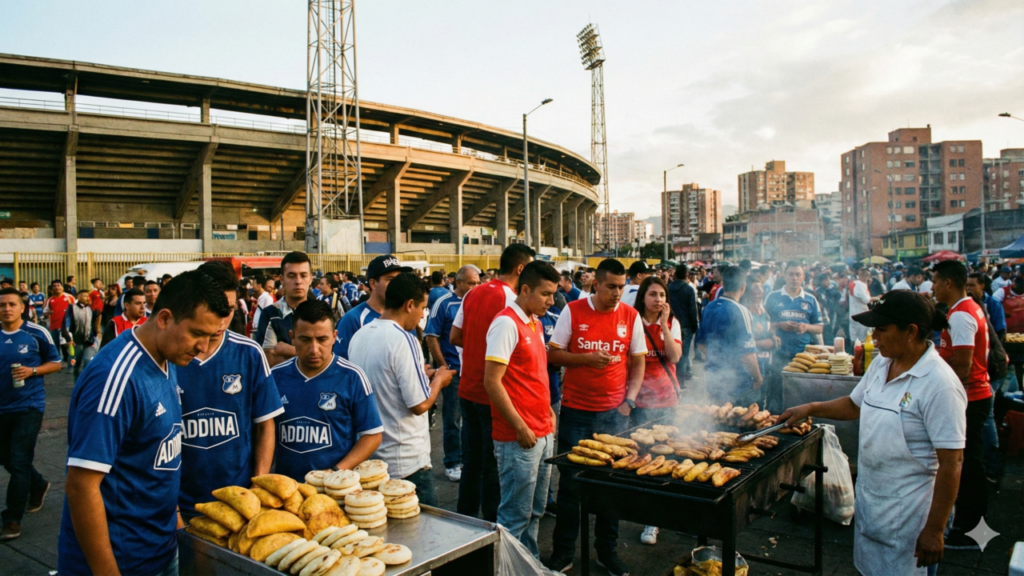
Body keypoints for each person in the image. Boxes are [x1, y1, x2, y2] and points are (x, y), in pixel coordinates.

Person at [780, 291, 965, 575]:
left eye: (881, 328)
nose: (873, 336)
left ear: (911, 332)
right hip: (872, 503)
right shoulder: (882, 362)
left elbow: (952, 463)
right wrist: (811, 407)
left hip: (910, 516)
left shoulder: (940, 384)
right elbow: (854, 405)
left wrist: (935, 529)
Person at [59, 271, 230, 576]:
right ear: (164, 318)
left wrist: (177, 526)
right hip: (122, 562)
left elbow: (157, 461)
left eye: (211, 336)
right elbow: (81, 486)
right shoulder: (116, 377)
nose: (203, 347)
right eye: (196, 334)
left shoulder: (169, 357)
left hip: (161, 549)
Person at [546, 258, 646, 576]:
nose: (618, 293)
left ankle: (607, 552)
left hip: (615, 414)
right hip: (576, 411)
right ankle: (563, 553)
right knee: (571, 487)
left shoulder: (631, 316)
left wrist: (629, 401)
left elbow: (638, 362)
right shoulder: (574, 310)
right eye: (612, 287)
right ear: (596, 284)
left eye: (622, 287)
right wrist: (585, 358)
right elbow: (553, 354)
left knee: (610, 488)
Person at [177, 261, 284, 519]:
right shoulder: (172, 355)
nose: (223, 319)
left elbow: (265, 424)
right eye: (217, 309)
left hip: (238, 501)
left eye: (231, 309)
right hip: (180, 504)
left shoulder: (249, 353)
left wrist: (258, 485)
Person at [348, 273, 454, 505]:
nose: (422, 315)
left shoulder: (360, 335)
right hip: (405, 462)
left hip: (371, 460)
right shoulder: (404, 339)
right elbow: (419, 404)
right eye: (422, 308)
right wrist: (439, 380)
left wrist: (422, 376)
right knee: (424, 534)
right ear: (409, 305)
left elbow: (385, 381)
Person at [450, 244, 534, 521]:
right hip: (493, 393)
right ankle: (489, 529)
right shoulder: (511, 300)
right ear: (521, 269)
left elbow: (455, 337)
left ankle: (464, 521)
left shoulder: (472, 293)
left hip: (468, 389)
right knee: (492, 465)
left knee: (471, 461)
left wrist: (476, 350)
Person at [481, 261, 560, 557]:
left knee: (536, 511)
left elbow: (533, 374)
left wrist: (548, 411)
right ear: (525, 289)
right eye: (545, 294)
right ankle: (507, 567)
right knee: (514, 517)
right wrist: (519, 426)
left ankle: (529, 564)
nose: (551, 301)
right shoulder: (505, 323)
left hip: (541, 431)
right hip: (519, 438)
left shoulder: (535, 322)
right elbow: (492, 382)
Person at [269, 300, 382, 481]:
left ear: (334, 336)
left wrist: (335, 472)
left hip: (334, 488)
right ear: (292, 337)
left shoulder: (352, 377)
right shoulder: (274, 378)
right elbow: (261, 432)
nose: (314, 349)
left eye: (322, 339)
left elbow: (372, 435)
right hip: (287, 489)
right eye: (305, 339)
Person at [931, 260, 990, 549]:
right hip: (971, 395)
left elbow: (963, 366)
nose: (932, 287)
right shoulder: (961, 310)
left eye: (935, 281)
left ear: (948, 283)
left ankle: (971, 530)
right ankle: (969, 523)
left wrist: (943, 395)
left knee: (966, 464)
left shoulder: (962, 315)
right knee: (966, 461)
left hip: (971, 396)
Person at [0, 287, 62, 541]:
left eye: (12, 304)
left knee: (18, 460)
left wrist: (32, 372)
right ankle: (38, 485)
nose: (6, 309)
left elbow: (56, 363)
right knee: (7, 459)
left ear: (22, 307)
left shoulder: (36, 333)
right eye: (2, 305)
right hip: (2, 408)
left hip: (29, 406)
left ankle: (12, 519)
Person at [631, 276, 682, 546]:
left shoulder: (672, 323)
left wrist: (663, 326)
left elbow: (674, 358)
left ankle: (654, 521)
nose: (658, 300)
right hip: (638, 401)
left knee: (662, 459)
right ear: (643, 297)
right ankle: (639, 508)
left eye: (662, 295)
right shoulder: (632, 321)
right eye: (653, 294)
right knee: (640, 458)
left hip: (666, 400)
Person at [424, 265, 481, 483]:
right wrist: (443, 365)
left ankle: (469, 458)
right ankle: (452, 462)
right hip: (455, 370)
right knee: (453, 419)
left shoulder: (477, 301)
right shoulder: (444, 303)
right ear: (458, 282)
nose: (475, 287)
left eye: (477, 283)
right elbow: (431, 336)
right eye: (471, 283)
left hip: (474, 370)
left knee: (471, 419)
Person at [695, 266, 763, 406]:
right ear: (743, 287)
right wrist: (758, 378)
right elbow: (747, 353)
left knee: (717, 421)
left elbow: (701, 343)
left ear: (723, 284)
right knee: (740, 422)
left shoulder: (709, 307)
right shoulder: (741, 311)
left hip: (714, 379)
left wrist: (717, 361)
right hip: (738, 383)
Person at [764, 262, 823, 412]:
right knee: (776, 394)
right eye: (791, 274)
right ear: (784, 276)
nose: (794, 278)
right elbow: (764, 325)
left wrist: (806, 327)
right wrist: (779, 325)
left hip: (802, 357)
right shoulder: (773, 297)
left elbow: (819, 328)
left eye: (798, 274)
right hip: (779, 355)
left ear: (803, 277)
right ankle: (774, 424)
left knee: (799, 395)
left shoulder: (810, 299)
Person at [334, 255, 412, 360]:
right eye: (390, 280)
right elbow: (340, 365)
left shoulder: (405, 315)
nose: (397, 285)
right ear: (373, 284)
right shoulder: (353, 319)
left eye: (399, 279)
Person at [260, 251, 314, 367]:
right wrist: (309, 355)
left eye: (303, 275)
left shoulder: (320, 313)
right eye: (291, 276)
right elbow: (267, 359)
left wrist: (287, 350)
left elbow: (327, 356)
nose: (298, 281)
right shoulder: (270, 313)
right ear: (281, 279)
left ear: (310, 278)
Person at [742, 275, 776, 400]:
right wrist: (763, 343)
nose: (760, 291)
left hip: (767, 363)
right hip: (751, 367)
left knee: (763, 401)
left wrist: (773, 337)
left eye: (761, 287)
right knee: (752, 404)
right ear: (746, 290)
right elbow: (740, 344)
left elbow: (769, 331)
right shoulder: (745, 313)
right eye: (756, 288)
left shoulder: (765, 313)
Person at [668, 263, 699, 382]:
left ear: (675, 274)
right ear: (686, 275)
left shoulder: (668, 287)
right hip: (686, 326)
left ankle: (672, 381)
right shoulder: (689, 289)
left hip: (670, 324)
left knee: (671, 355)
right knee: (683, 355)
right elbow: (692, 309)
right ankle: (679, 383)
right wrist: (694, 327)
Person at [993, 274, 1024, 385]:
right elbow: (993, 308)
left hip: (1021, 335)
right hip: (1006, 334)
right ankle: (1002, 390)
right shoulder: (1002, 292)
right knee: (1007, 362)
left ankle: (1020, 388)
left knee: (1020, 363)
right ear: (1014, 283)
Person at [42, 279, 76, 371]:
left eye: (58, 285)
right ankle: (58, 366)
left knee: (69, 345)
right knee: (55, 347)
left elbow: (76, 310)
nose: (57, 287)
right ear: (52, 288)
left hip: (66, 327)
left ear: (62, 287)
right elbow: (45, 312)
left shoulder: (69, 297)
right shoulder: (50, 300)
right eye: (54, 286)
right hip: (54, 327)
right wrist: (49, 313)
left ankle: (72, 365)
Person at [65, 291, 96, 380]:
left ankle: (86, 384)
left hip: (88, 342)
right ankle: (77, 384)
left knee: (88, 362)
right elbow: (66, 323)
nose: (87, 298)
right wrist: (69, 338)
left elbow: (93, 324)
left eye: (87, 296)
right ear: (78, 297)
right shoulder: (71, 308)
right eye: (84, 295)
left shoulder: (90, 309)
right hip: (75, 341)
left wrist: (94, 336)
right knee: (76, 365)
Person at [848, 264, 875, 344]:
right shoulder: (860, 285)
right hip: (861, 316)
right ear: (861, 275)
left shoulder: (854, 283)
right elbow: (866, 300)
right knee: (861, 340)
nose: (868, 278)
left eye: (868, 276)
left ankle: (853, 354)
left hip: (853, 314)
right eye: (867, 276)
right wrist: (877, 298)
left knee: (854, 339)